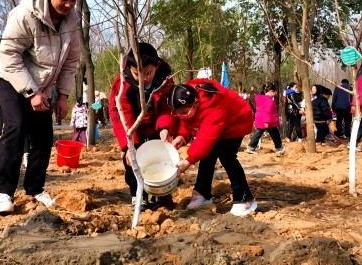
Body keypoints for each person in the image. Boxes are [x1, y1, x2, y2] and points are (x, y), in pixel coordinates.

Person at [0, 0, 83, 214]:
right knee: (16, 126)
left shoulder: (73, 21)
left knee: (43, 136)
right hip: (11, 77)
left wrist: (63, 95)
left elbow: (71, 61)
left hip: (44, 84)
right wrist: (31, 93)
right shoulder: (24, 14)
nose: (68, 5)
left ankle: (34, 188)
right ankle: (2, 191)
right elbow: (8, 56)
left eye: (73, 0)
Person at [167, 80, 257, 216]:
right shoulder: (185, 96)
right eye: (177, 113)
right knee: (207, 156)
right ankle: (202, 194)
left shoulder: (213, 106)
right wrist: (182, 136)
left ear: (196, 102)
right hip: (220, 122)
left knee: (227, 157)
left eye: (184, 112)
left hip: (236, 122)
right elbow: (187, 120)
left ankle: (245, 199)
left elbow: (206, 137)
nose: (181, 116)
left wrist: (188, 160)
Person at [108, 42, 176, 208]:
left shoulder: (165, 80)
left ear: (157, 65)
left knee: (162, 156)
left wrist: (164, 128)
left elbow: (167, 108)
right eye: (137, 74)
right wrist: (129, 145)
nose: (144, 78)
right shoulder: (121, 84)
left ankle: (163, 195)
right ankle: (138, 195)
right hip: (132, 127)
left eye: (148, 73)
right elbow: (121, 116)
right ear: (129, 69)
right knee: (133, 160)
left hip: (155, 125)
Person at [246, 83, 284, 153]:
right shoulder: (269, 100)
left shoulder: (260, 98)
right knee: (274, 134)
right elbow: (267, 112)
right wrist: (267, 122)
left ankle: (251, 147)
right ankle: (279, 148)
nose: (275, 93)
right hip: (268, 122)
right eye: (275, 92)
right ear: (271, 91)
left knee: (259, 133)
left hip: (261, 120)